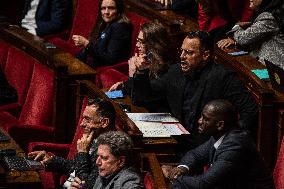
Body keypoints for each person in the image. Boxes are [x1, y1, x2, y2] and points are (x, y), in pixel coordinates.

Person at [131, 31, 258, 153]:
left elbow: (250, 110)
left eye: (189, 52)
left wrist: (227, 140)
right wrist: (141, 72)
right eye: (182, 51)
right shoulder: (175, 72)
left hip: (206, 146)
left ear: (205, 55)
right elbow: (144, 98)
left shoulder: (223, 77)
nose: (182, 56)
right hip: (177, 141)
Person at [162, 99, 275, 189]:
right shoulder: (221, 135)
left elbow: (204, 183)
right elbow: (195, 155)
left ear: (220, 125)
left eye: (205, 119)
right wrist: (182, 168)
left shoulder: (235, 146)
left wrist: (172, 176)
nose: (199, 121)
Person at [28, 98, 116, 189]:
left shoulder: (110, 152)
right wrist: (51, 160)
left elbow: (84, 184)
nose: (82, 124)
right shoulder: (97, 137)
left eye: (87, 119)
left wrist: (82, 153)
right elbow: (77, 165)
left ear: (104, 122)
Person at [108, 21, 175, 111]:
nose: (137, 45)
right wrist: (124, 85)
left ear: (153, 44)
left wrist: (133, 73)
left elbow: (138, 99)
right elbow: (135, 89)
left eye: (141, 42)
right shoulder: (147, 61)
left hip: (154, 114)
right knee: (105, 96)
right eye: (137, 41)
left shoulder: (166, 69)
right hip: (141, 108)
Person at [217, 0, 284, 69]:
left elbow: (242, 38)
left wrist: (237, 26)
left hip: (275, 71)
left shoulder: (269, 18)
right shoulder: (263, 14)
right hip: (264, 65)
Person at [69, 131, 144, 189]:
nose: (97, 162)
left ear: (121, 161)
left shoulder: (129, 181)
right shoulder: (106, 173)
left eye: (104, 158)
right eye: (98, 156)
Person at [73, 0, 132, 68]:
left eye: (111, 8)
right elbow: (97, 48)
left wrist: (86, 44)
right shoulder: (106, 23)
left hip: (103, 69)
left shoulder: (120, 28)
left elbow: (109, 59)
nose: (106, 12)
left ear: (119, 10)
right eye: (103, 8)